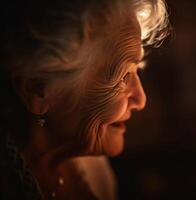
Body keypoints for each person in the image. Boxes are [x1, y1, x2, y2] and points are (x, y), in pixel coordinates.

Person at [0, 0, 168, 199]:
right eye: (123, 77)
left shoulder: (95, 171)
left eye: (136, 70)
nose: (141, 101)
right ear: (36, 90)